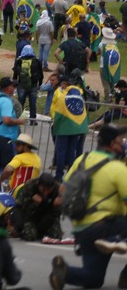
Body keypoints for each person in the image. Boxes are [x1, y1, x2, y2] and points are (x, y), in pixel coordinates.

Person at [49, 124, 127, 290]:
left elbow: (63, 189)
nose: (123, 144)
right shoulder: (118, 168)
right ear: (113, 143)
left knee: (94, 279)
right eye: (121, 141)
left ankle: (64, 272)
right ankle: (117, 247)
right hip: (107, 228)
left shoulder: (82, 160)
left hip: (82, 228)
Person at [50, 71, 89, 181]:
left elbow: (58, 114)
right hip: (77, 128)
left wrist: (55, 124)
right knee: (72, 152)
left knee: (61, 152)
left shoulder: (63, 97)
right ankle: (71, 173)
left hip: (63, 129)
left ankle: (59, 175)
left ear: (65, 84)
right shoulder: (80, 96)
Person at [0, 78, 25, 181]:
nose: (15, 89)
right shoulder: (6, 101)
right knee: (9, 170)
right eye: (13, 86)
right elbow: (6, 120)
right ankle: (6, 193)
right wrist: (19, 121)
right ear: (7, 88)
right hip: (6, 139)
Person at [9, 172, 62, 242]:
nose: (45, 192)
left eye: (48, 190)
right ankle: (20, 230)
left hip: (47, 214)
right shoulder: (30, 186)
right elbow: (24, 210)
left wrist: (56, 206)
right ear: (39, 185)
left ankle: (40, 231)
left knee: (56, 236)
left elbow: (57, 214)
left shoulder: (58, 190)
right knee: (29, 235)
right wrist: (35, 204)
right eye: (43, 189)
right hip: (30, 215)